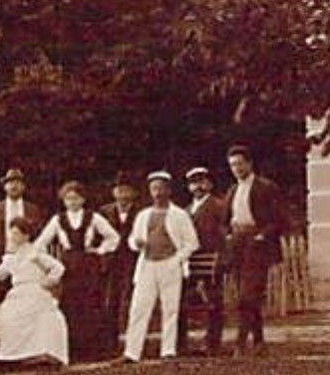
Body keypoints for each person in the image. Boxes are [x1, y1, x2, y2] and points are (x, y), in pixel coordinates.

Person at [33, 180, 121, 362]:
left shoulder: (93, 217)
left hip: (89, 265)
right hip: (68, 266)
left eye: (75, 198)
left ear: (82, 199)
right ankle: (73, 350)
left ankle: (94, 350)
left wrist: (100, 251)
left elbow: (114, 237)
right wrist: (51, 263)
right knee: (70, 305)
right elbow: (40, 244)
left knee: (91, 304)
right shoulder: (58, 219)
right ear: (63, 200)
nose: (72, 202)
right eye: (68, 198)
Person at [122, 172, 200, 362]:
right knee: (139, 308)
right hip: (147, 264)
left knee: (170, 308)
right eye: (154, 189)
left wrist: (177, 259)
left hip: (169, 264)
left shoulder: (179, 215)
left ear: (169, 190)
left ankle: (168, 351)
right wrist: (136, 243)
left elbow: (192, 243)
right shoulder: (143, 215)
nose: (157, 193)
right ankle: (132, 352)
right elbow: (132, 239)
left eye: (161, 188)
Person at [222, 144, 288, 355]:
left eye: (240, 163)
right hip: (238, 244)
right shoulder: (232, 190)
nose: (237, 168)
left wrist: (262, 235)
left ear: (250, 163)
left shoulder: (265, 187)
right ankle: (259, 342)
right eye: (233, 165)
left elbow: (279, 219)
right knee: (248, 296)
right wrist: (229, 235)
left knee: (246, 296)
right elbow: (224, 221)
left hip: (257, 244)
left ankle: (240, 343)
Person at [0, 217, 68, 367]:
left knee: (34, 314)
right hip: (17, 293)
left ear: (26, 236)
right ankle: (10, 357)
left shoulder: (35, 253)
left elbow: (58, 267)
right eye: (11, 233)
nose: (13, 237)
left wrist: (50, 280)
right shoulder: (11, 257)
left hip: (36, 290)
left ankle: (38, 354)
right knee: (5, 317)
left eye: (16, 233)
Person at [178, 167, 228, 356]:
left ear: (209, 184)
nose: (197, 187)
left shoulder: (219, 206)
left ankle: (212, 345)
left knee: (213, 302)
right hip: (189, 262)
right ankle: (181, 344)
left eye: (201, 182)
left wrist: (222, 259)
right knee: (182, 301)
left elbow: (224, 235)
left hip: (211, 261)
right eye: (193, 183)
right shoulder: (185, 211)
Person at [98, 171, 143, 349]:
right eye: (119, 190)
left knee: (131, 300)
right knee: (111, 301)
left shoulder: (141, 211)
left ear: (133, 193)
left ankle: (133, 341)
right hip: (111, 264)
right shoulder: (105, 211)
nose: (123, 195)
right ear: (114, 192)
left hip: (133, 262)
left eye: (126, 191)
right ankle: (111, 341)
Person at [0, 168, 46, 271]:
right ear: (4, 187)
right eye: (10, 183)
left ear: (23, 187)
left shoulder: (32, 210)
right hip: (2, 260)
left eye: (18, 182)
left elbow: (40, 236)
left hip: (27, 261)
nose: (14, 186)